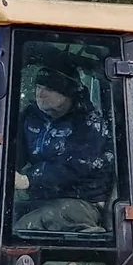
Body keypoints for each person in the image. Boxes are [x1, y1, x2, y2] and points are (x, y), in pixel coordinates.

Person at [13, 53, 114, 232]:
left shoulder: (89, 123)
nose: (40, 94)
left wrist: (29, 179)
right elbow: (14, 152)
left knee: (33, 224)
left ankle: (85, 253)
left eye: (49, 89)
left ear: (68, 93)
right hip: (42, 198)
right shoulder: (30, 117)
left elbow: (76, 165)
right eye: (38, 86)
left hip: (84, 201)